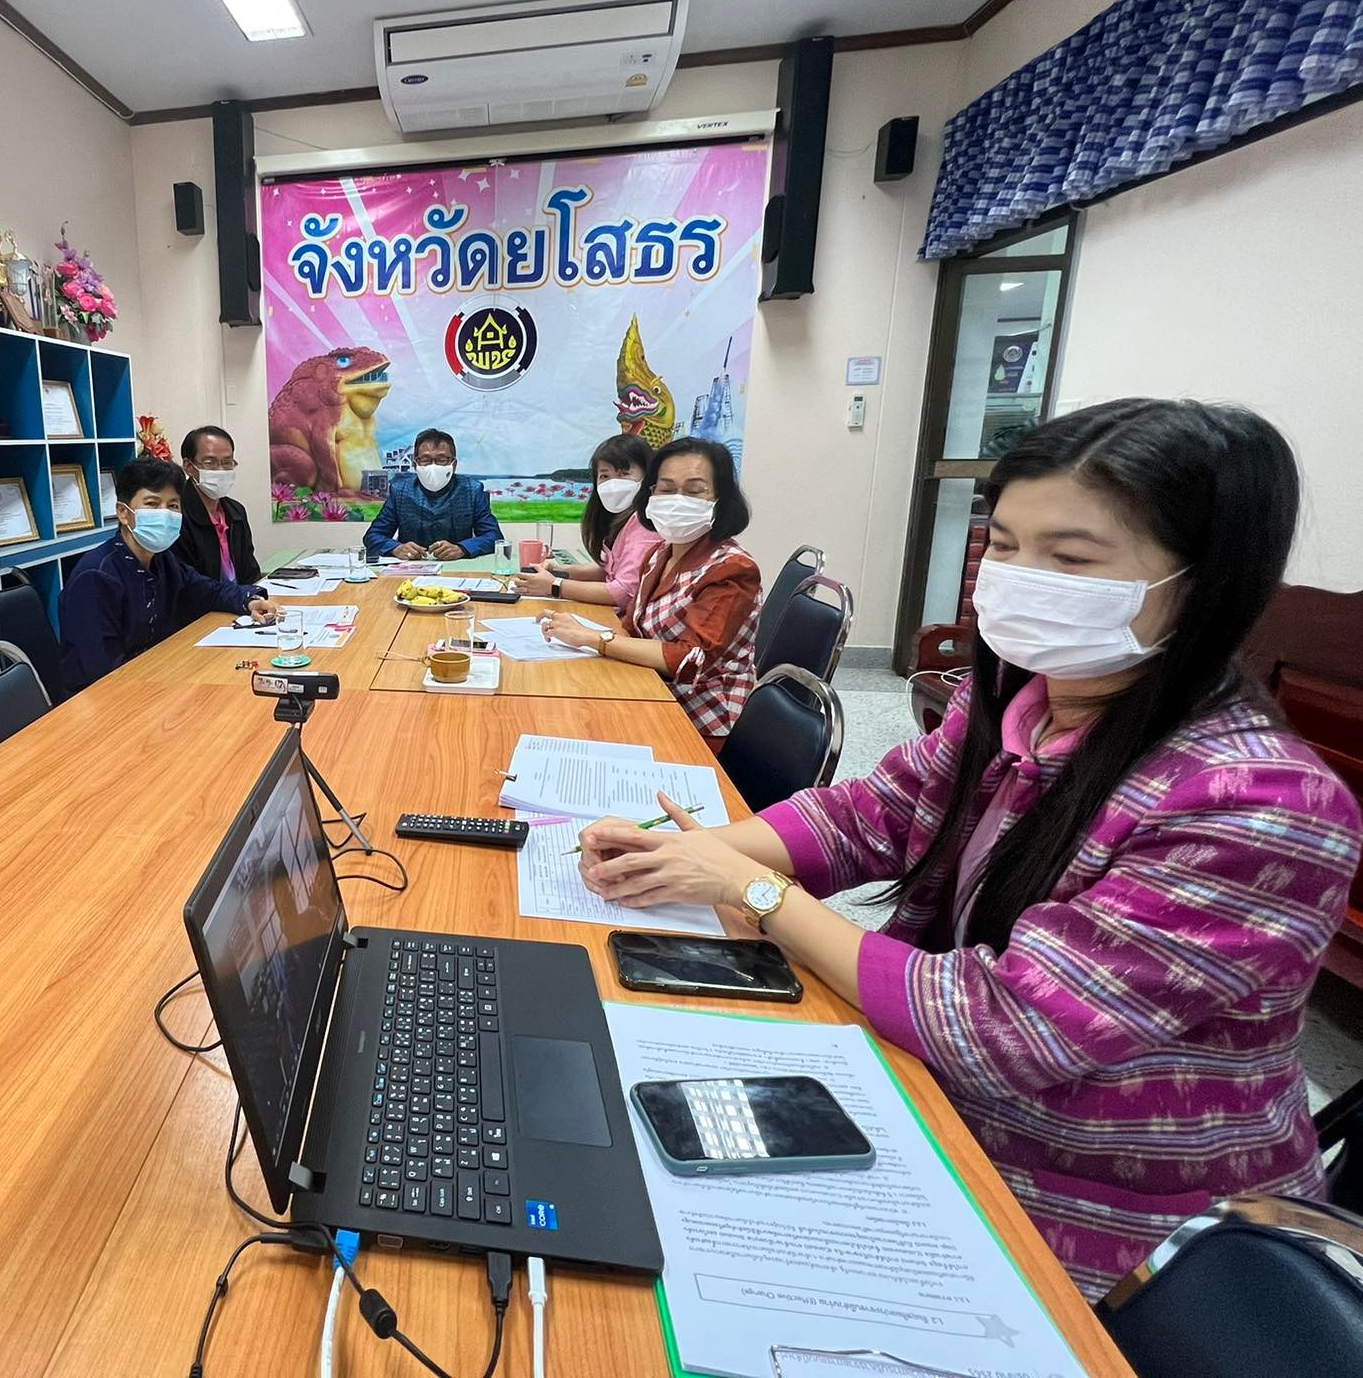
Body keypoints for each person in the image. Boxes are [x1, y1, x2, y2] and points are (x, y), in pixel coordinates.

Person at [574, 399, 1362, 1299]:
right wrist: (688, 850)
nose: (1019, 580)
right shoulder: (1024, 702)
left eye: (1071, 559)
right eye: (1007, 546)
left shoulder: (1260, 805)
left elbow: (1005, 1028)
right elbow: (872, 813)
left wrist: (756, 892)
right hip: (930, 1098)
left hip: (1102, 1232)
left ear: (1203, 582)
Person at [538, 438, 760, 749]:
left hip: (699, 716)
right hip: (647, 689)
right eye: (666, 490)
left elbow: (689, 659)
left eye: (694, 491)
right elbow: (630, 626)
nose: (677, 500)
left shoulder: (732, 569)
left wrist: (592, 638)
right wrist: (578, 631)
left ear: (722, 499)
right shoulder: (660, 555)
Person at [59, 456, 276, 691]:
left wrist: (249, 600)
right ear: (123, 512)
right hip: (103, 699)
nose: (164, 513)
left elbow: (208, 591)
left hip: (157, 677)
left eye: (173, 506)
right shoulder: (96, 577)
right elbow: (103, 673)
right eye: (152, 504)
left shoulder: (163, 560)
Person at [516, 434, 658, 610]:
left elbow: (624, 592)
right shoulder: (622, 519)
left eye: (624, 474)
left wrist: (555, 585)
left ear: (648, 476)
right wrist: (560, 571)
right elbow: (610, 570)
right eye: (605, 476)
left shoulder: (645, 523)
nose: (613, 484)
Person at [362, 429, 503, 562]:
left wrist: (462, 548)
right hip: (411, 567)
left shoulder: (472, 490)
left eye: (441, 459)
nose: (433, 466)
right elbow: (373, 536)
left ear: (454, 464)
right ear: (415, 464)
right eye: (425, 460)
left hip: (457, 566)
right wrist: (396, 548)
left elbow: (494, 536)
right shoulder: (400, 491)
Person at [172, 425, 259, 585]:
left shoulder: (236, 512)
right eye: (210, 462)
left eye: (227, 462)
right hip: (204, 601)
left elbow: (250, 572)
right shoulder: (177, 514)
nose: (221, 470)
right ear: (189, 466)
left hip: (242, 599)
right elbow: (188, 583)